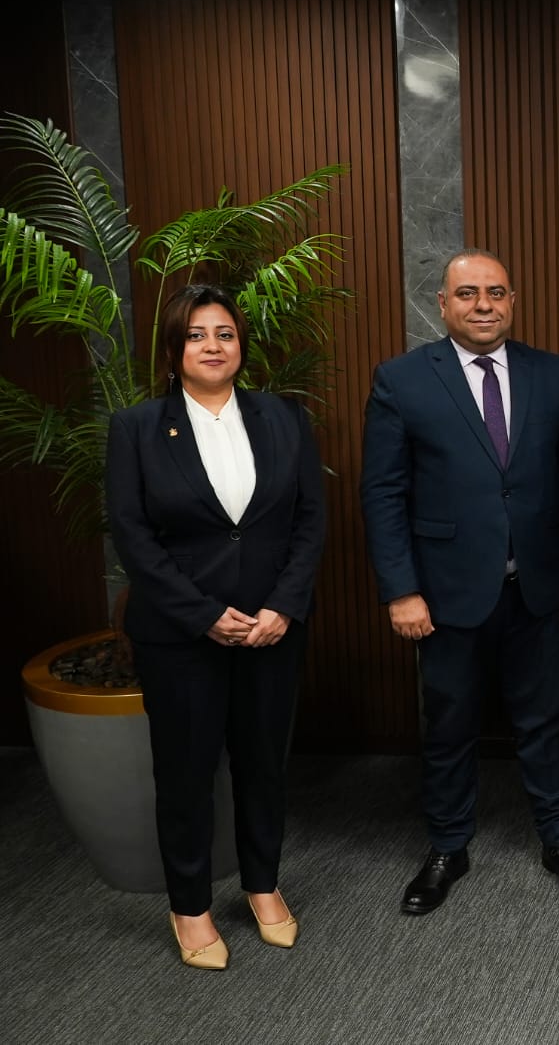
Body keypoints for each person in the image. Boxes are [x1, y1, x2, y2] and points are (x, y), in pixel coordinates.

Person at [360, 248, 559, 915]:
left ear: (513, 301)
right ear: (443, 305)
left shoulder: (552, 375)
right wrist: (400, 589)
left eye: (496, 292)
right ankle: (447, 846)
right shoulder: (402, 380)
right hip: (444, 595)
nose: (484, 305)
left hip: (541, 589)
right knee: (449, 725)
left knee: (546, 721)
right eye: (468, 294)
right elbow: (383, 494)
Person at [106, 284, 326, 969]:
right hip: (180, 637)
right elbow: (133, 536)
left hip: (270, 630)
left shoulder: (283, 417)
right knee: (185, 775)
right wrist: (202, 614)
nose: (213, 346)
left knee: (264, 767)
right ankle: (191, 907)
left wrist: (283, 606)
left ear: (240, 345)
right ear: (175, 349)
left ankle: (262, 885)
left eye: (225, 333)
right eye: (197, 334)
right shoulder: (138, 427)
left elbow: (310, 520)